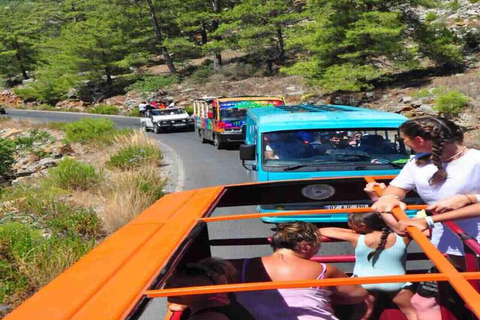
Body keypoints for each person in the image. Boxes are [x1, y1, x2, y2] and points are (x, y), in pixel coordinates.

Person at [370, 116, 480, 320]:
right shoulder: (417, 162)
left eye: (405, 140)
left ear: (419, 140)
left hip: (474, 245)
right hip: (449, 249)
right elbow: (397, 187)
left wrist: (466, 200)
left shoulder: (475, 161)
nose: (405, 145)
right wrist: (392, 198)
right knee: (423, 302)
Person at [231, 222, 369, 320]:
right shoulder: (324, 270)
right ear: (305, 246)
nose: (317, 251)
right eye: (317, 247)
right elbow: (358, 294)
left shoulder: (241, 266)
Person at [319, 212, 418, 320]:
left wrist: (354, 232)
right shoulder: (402, 237)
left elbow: (323, 230)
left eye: (351, 224)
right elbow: (424, 231)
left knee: (362, 315)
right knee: (412, 313)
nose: (350, 227)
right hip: (396, 283)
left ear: (362, 226)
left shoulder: (357, 238)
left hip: (365, 283)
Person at [164, 258, 255, 320]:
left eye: (180, 287)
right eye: (167, 285)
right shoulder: (223, 303)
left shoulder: (207, 316)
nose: (165, 291)